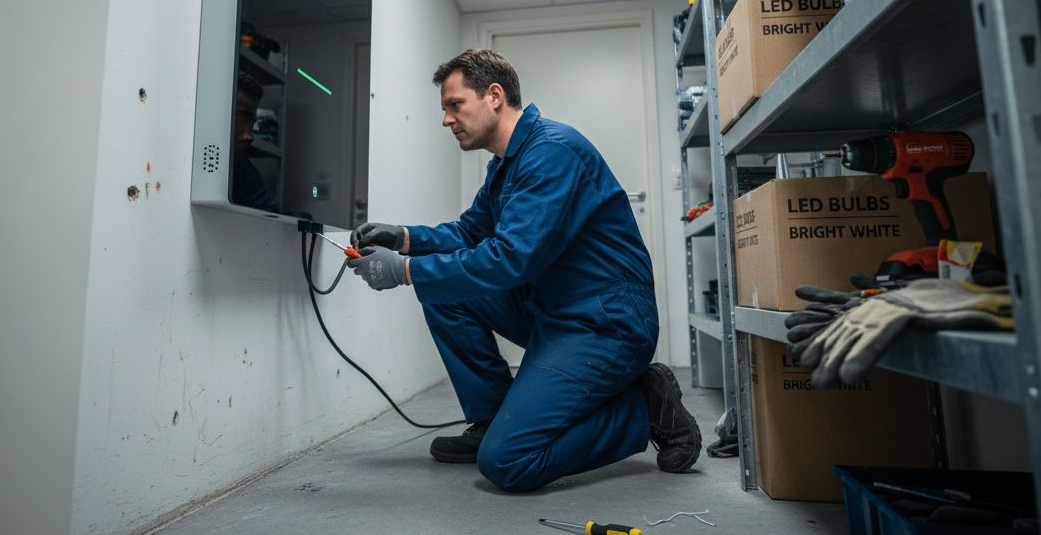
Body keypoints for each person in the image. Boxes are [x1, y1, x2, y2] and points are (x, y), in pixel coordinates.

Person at [345, 48, 700, 493]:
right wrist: (403, 237)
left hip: (606, 324)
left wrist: (404, 270)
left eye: (455, 105)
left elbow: (510, 259)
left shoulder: (552, 152)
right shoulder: (505, 165)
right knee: (445, 292)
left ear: (494, 95)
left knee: (509, 462)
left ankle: (641, 408)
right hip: (554, 314)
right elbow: (470, 232)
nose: (446, 119)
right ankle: (491, 420)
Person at [230, 71, 277, 212]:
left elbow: (267, 211)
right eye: (241, 118)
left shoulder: (242, 168)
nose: (248, 136)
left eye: (251, 122)